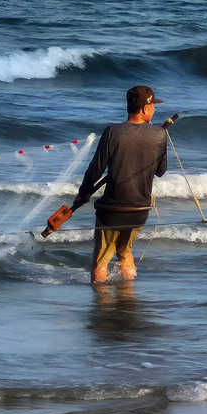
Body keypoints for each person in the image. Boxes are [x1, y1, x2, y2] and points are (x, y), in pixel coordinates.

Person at [74, 85, 168, 283]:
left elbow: (95, 170)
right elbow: (160, 171)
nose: (154, 110)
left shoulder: (112, 132)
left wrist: (83, 193)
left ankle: (102, 305)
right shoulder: (160, 134)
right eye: (153, 106)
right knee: (125, 252)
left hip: (111, 210)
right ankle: (128, 298)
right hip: (140, 210)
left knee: (101, 261)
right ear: (144, 109)